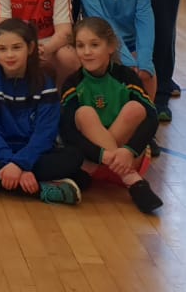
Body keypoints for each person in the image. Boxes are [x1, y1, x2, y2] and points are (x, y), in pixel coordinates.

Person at [0, 19, 85, 204]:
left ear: (30, 48)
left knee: (74, 157)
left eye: (16, 47)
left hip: (34, 153)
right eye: (2, 49)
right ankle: (41, 189)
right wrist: (11, 163)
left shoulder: (45, 84)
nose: (9, 55)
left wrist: (21, 163)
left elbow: (44, 134)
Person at [62, 18, 164, 213]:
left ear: (111, 46)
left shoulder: (126, 77)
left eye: (94, 45)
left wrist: (129, 151)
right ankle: (132, 180)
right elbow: (68, 131)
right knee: (84, 113)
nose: (87, 52)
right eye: (80, 46)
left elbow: (152, 118)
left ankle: (114, 168)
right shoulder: (73, 83)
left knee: (135, 108)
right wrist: (103, 154)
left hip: (125, 159)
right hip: (94, 158)